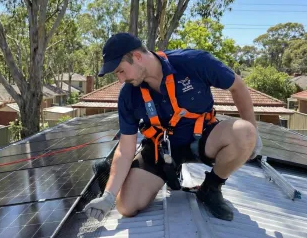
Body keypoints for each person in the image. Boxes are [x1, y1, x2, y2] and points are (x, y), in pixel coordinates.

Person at [83, 33, 262, 222]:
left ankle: (211, 188)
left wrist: (253, 132)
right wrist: (108, 195)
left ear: (136, 56)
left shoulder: (194, 62)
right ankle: (169, 171)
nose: (120, 80)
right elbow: (125, 149)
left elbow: (238, 86)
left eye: (121, 71)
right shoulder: (128, 95)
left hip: (202, 138)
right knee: (126, 206)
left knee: (245, 132)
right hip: (162, 148)